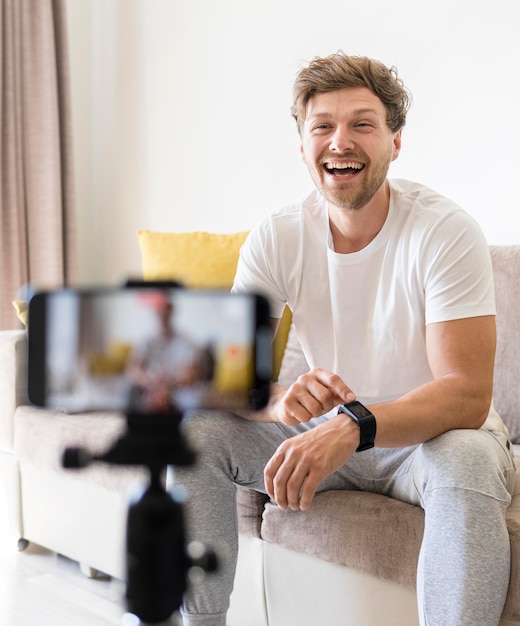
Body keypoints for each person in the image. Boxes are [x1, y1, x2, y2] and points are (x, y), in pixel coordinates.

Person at [176, 52, 516, 626]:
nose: (341, 141)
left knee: (466, 458)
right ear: (303, 143)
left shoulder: (444, 231)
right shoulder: (278, 236)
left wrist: (352, 424)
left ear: (395, 141)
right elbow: (224, 378)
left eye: (362, 124)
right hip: (328, 433)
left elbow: (465, 395)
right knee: (196, 434)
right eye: (323, 126)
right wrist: (278, 400)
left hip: (426, 443)